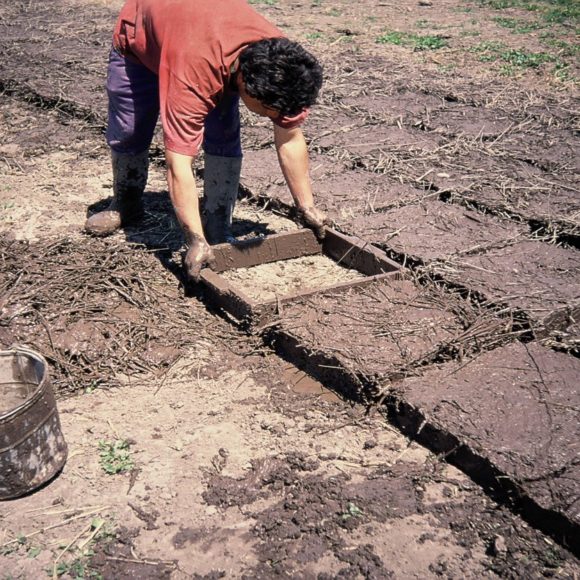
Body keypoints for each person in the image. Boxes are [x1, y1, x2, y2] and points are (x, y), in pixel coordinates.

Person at [85, 0, 328, 281]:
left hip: (203, 40)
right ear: (247, 87)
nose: (271, 119)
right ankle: (125, 204)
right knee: (130, 129)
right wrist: (194, 239)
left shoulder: (284, 65)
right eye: (267, 113)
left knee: (223, 132)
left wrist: (306, 206)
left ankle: (217, 221)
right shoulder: (194, 73)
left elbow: (290, 136)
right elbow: (178, 163)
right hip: (142, 44)